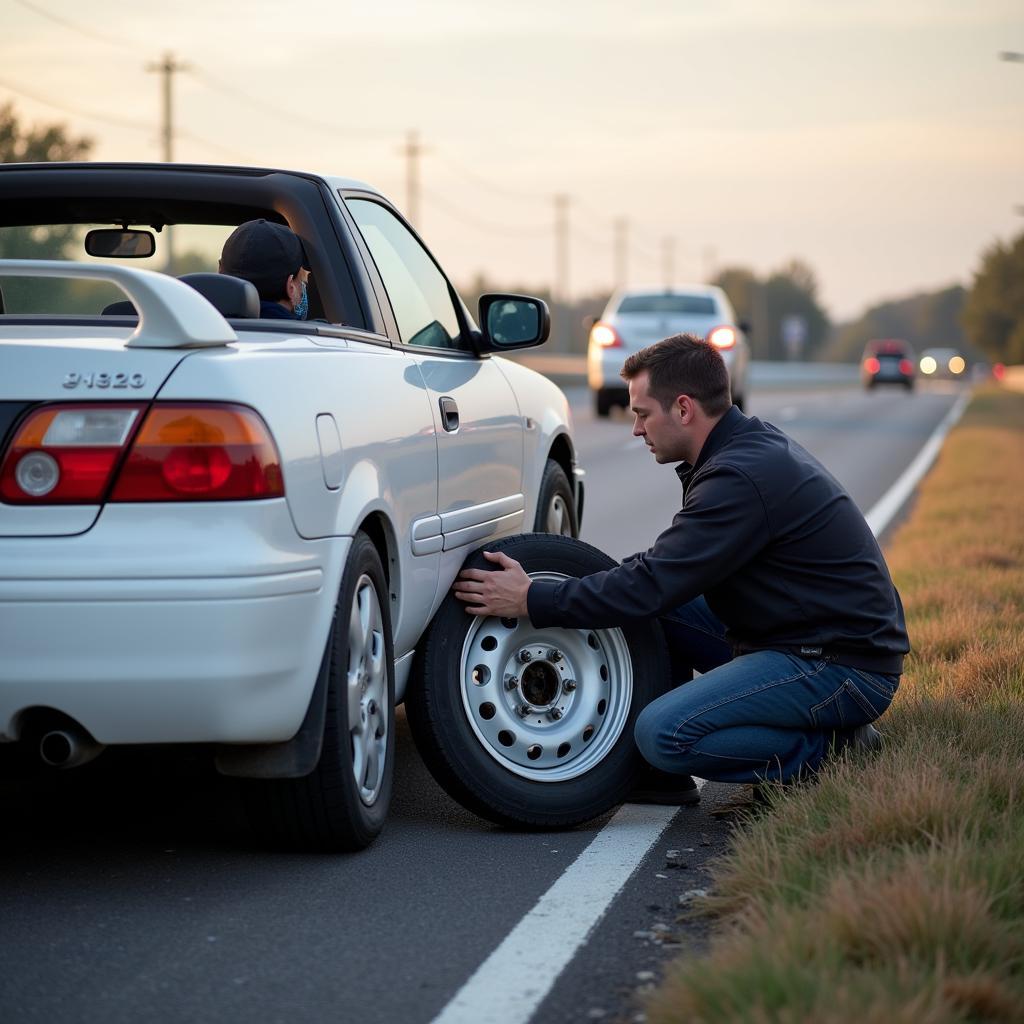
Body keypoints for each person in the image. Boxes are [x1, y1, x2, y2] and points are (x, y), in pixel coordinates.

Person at [453, 333, 909, 804]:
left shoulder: (738, 477)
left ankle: (832, 750)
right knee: (663, 608)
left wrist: (533, 599)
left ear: (685, 409)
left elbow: (652, 582)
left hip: (842, 667)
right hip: (794, 636)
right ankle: (659, 775)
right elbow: (662, 572)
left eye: (642, 413)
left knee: (663, 734)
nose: (635, 429)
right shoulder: (737, 452)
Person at [219, 218, 311, 320]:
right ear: (291, 288)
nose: (303, 289)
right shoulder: (310, 334)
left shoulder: (204, 326)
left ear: (220, 273)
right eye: (302, 282)